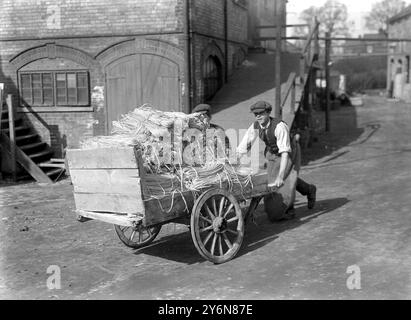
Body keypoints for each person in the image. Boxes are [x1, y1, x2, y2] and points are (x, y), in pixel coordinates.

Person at [237, 100, 316, 219]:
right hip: (272, 153)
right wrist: (235, 158)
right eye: (255, 114)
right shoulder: (255, 126)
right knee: (276, 178)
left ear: (268, 112)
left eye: (261, 113)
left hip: (288, 152)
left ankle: (286, 210)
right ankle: (309, 189)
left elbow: (284, 153)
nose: (258, 116)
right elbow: (244, 145)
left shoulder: (279, 127)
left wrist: (280, 175)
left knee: (280, 180)